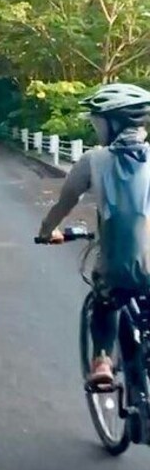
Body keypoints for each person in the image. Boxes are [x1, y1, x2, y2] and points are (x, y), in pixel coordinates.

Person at [38, 83, 150, 385]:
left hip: (118, 266)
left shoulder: (94, 160)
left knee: (105, 299)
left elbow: (65, 203)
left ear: (112, 123)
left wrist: (47, 231)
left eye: (98, 121)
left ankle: (101, 360)